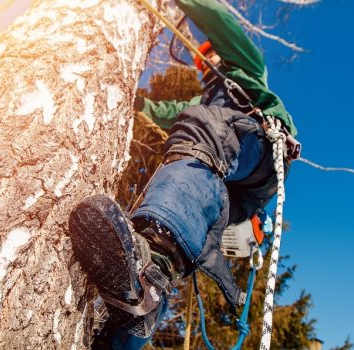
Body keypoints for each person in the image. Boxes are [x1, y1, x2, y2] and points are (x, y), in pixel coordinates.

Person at [68, 0, 298, 348]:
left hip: (258, 152)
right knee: (179, 177)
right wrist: (135, 103)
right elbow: (169, 113)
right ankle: (122, 331)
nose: (205, 66)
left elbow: (219, 20)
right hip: (221, 182)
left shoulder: (245, 70)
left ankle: (149, 269)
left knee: (202, 129)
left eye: (209, 58)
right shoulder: (204, 102)